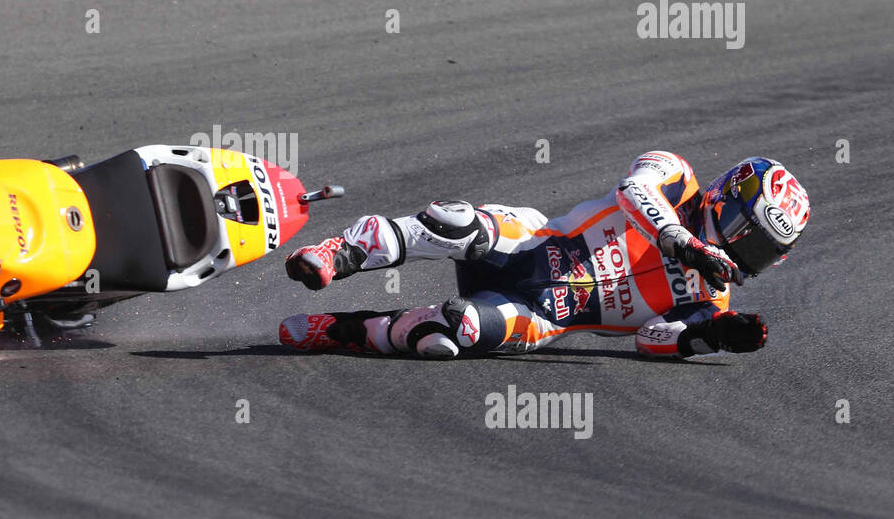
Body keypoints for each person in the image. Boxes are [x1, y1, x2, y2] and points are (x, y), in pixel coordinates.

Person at [278, 152, 810, 359]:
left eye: (764, 250)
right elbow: (632, 191)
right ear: (726, 200)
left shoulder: (710, 298)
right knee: (455, 222)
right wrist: (683, 243)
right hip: (531, 246)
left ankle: (345, 330)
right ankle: (337, 253)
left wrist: (714, 336)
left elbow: (653, 341)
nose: (746, 252)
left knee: (454, 332)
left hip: (540, 318)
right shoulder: (677, 178)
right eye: (751, 234)